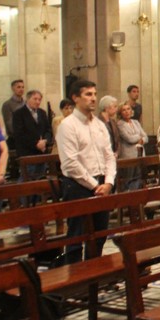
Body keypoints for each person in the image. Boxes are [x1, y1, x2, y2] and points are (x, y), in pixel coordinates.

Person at [57, 79, 116, 264]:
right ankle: (74, 280)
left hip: (102, 185)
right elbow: (70, 163)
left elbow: (109, 156)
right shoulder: (68, 125)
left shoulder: (99, 125)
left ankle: (94, 274)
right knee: (77, 236)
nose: (93, 98)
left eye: (94, 94)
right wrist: (95, 185)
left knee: (100, 234)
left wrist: (108, 182)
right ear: (75, 98)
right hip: (78, 186)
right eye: (88, 94)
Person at [11, 89, 52, 180]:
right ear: (28, 99)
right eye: (35, 99)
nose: (38, 102)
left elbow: (48, 130)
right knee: (27, 179)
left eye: (39, 99)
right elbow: (19, 134)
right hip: (27, 152)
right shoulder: (19, 114)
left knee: (40, 179)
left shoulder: (42, 113)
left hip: (42, 152)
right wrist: (36, 144)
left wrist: (45, 141)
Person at [117, 101, 148, 190]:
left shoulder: (136, 122)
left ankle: (138, 200)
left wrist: (142, 139)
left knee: (139, 178)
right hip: (128, 156)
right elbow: (129, 139)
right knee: (129, 179)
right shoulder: (120, 124)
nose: (127, 111)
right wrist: (140, 137)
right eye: (124, 110)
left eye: (128, 109)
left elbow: (146, 137)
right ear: (120, 113)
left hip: (140, 154)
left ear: (131, 111)